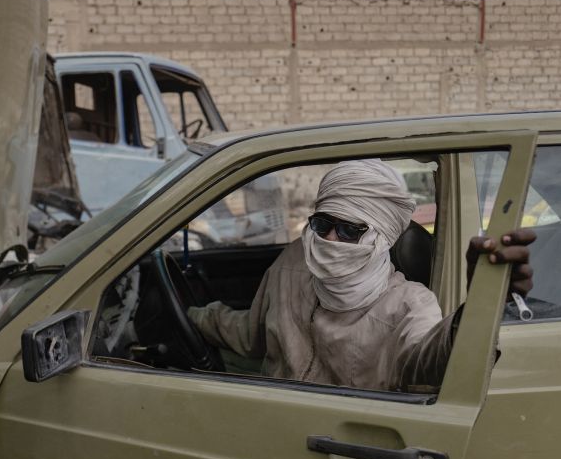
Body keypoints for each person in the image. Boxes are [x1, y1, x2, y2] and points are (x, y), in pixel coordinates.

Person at [186, 159, 534, 392]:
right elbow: (253, 334)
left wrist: (479, 310)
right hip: (276, 420)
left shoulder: (409, 305)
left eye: (350, 231)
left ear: (382, 238)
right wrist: (195, 317)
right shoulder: (293, 264)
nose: (332, 240)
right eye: (323, 225)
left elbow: (430, 368)